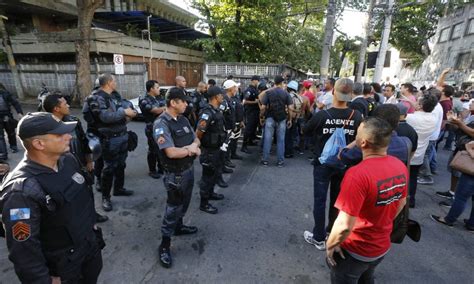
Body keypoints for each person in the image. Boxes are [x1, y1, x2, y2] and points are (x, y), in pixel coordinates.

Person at [0, 112, 104, 283]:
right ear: (39, 143)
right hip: (63, 270)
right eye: (60, 134)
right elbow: (24, 252)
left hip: (88, 251)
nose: (68, 136)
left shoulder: (68, 160)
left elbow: (84, 196)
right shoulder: (20, 192)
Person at [326, 117, 408, 283]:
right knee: (367, 277)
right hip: (381, 245)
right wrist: (380, 223)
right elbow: (401, 203)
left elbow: (344, 226)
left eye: (357, 134)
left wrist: (331, 245)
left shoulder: (357, 175)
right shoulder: (399, 165)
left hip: (355, 249)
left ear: (362, 143)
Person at [303, 78, 363, 250]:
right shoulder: (357, 116)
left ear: (333, 92)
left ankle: (319, 237)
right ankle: (332, 231)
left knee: (320, 200)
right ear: (350, 95)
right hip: (345, 164)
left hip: (323, 164)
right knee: (338, 201)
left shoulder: (322, 115)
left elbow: (306, 130)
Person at [153, 88, 200, 268]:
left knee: (185, 202)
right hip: (175, 174)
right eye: (184, 101)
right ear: (173, 102)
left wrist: (193, 146)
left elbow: (196, 139)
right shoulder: (161, 124)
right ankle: (165, 245)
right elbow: (171, 152)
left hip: (188, 169)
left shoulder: (183, 119)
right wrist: (191, 150)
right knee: (173, 208)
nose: (187, 104)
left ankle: (179, 227)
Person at [43, 93, 108, 223]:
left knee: (87, 190)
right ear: (56, 108)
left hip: (80, 164)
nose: (68, 105)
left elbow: (83, 141)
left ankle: (92, 214)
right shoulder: (45, 126)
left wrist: (89, 160)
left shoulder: (73, 120)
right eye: (64, 103)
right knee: (68, 196)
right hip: (60, 169)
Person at [88, 73, 137, 211]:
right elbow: (105, 117)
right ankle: (106, 198)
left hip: (122, 135)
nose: (116, 83)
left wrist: (130, 114)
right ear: (109, 82)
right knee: (109, 169)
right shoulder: (97, 98)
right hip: (110, 139)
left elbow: (123, 112)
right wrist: (124, 112)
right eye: (114, 80)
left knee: (121, 164)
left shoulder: (114, 96)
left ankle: (119, 188)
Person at [196, 86, 228, 214]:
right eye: (221, 95)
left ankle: (210, 193)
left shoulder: (216, 110)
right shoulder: (207, 113)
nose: (223, 97)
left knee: (214, 173)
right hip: (208, 150)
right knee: (207, 177)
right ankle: (204, 204)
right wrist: (199, 146)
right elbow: (199, 131)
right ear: (215, 97)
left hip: (217, 148)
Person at [406, 91, 438, 207]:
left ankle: (402, 200)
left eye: (417, 101)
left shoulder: (411, 118)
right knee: (413, 177)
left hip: (408, 152)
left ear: (420, 105)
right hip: (420, 154)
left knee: (403, 177)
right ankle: (411, 200)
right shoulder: (433, 119)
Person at [260, 75, 293, 167]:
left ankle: (265, 160)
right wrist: (290, 119)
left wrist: (261, 117)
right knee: (281, 140)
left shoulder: (269, 93)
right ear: (282, 83)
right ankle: (280, 162)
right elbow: (290, 108)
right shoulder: (286, 93)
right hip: (282, 118)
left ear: (274, 82)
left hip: (270, 117)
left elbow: (263, 107)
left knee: (267, 139)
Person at [139, 80, 166, 179]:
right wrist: (166, 108)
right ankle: (152, 170)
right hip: (152, 128)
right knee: (153, 149)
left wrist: (163, 108)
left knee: (161, 147)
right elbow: (155, 110)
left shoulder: (158, 98)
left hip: (161, 127)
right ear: (151, 89)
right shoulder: (144, 99)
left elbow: (162, 107)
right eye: (157, 87)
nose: (159, 89)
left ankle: (161, 167)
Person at [285, 80, 308, 158]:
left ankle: (287, 152)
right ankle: (290, 152)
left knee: (287, 136)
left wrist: (290, 119)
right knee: (291, 136)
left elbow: (288, 108)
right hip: (295, 118)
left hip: (288, 118)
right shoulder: (299, 97)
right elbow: (301, 109)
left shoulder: (288, 96)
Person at [0, 84, 23, 160]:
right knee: (2, 136)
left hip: (7, 116)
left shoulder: (5, 93)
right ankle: (4, 153)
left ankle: (13, 147)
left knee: (10, 132)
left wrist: (19, 112)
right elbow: (15, 103)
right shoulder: (5, 93)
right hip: (6, 116)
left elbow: (15, 103)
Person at [242, 75, 261, 153]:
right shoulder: (249, 90)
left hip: (255, 111)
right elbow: (245, 101)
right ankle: (244, 146)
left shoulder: (255, 89)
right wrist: (256, 102)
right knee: (248, 128)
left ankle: (250, 141)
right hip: (250, 111)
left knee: (253, 127)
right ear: (254, 80)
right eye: (257, 80)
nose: (258, 82)